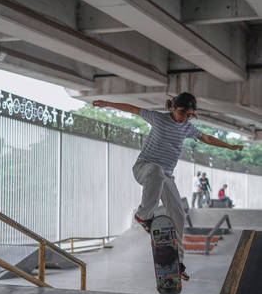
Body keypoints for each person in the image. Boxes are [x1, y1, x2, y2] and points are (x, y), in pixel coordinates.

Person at [93, 92, 243, 282]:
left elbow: (207, 139)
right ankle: (143, 215)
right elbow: (133, 109)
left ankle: (177, 263)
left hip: (165, 177)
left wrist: (229, 147)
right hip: (144, 168)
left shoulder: (187, 128)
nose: (184, 118)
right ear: (173, 107)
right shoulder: (158, 118)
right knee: (156, 170)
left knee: (178, 214)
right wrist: (108, 103)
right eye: (182, 113)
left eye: (189, 115)